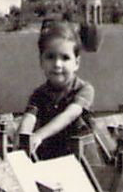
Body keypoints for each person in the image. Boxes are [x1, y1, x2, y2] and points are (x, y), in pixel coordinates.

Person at [19, 20, 95, 161]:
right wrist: (23, 139)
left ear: (76, 63)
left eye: (65, 58)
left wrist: (39, 135)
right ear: (41, 61)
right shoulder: (39, 95)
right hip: (50, 157)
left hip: (81, 158)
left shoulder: (83, 90)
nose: (57, 64)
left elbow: (70, 115)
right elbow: (29, 118)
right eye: (50, 57)